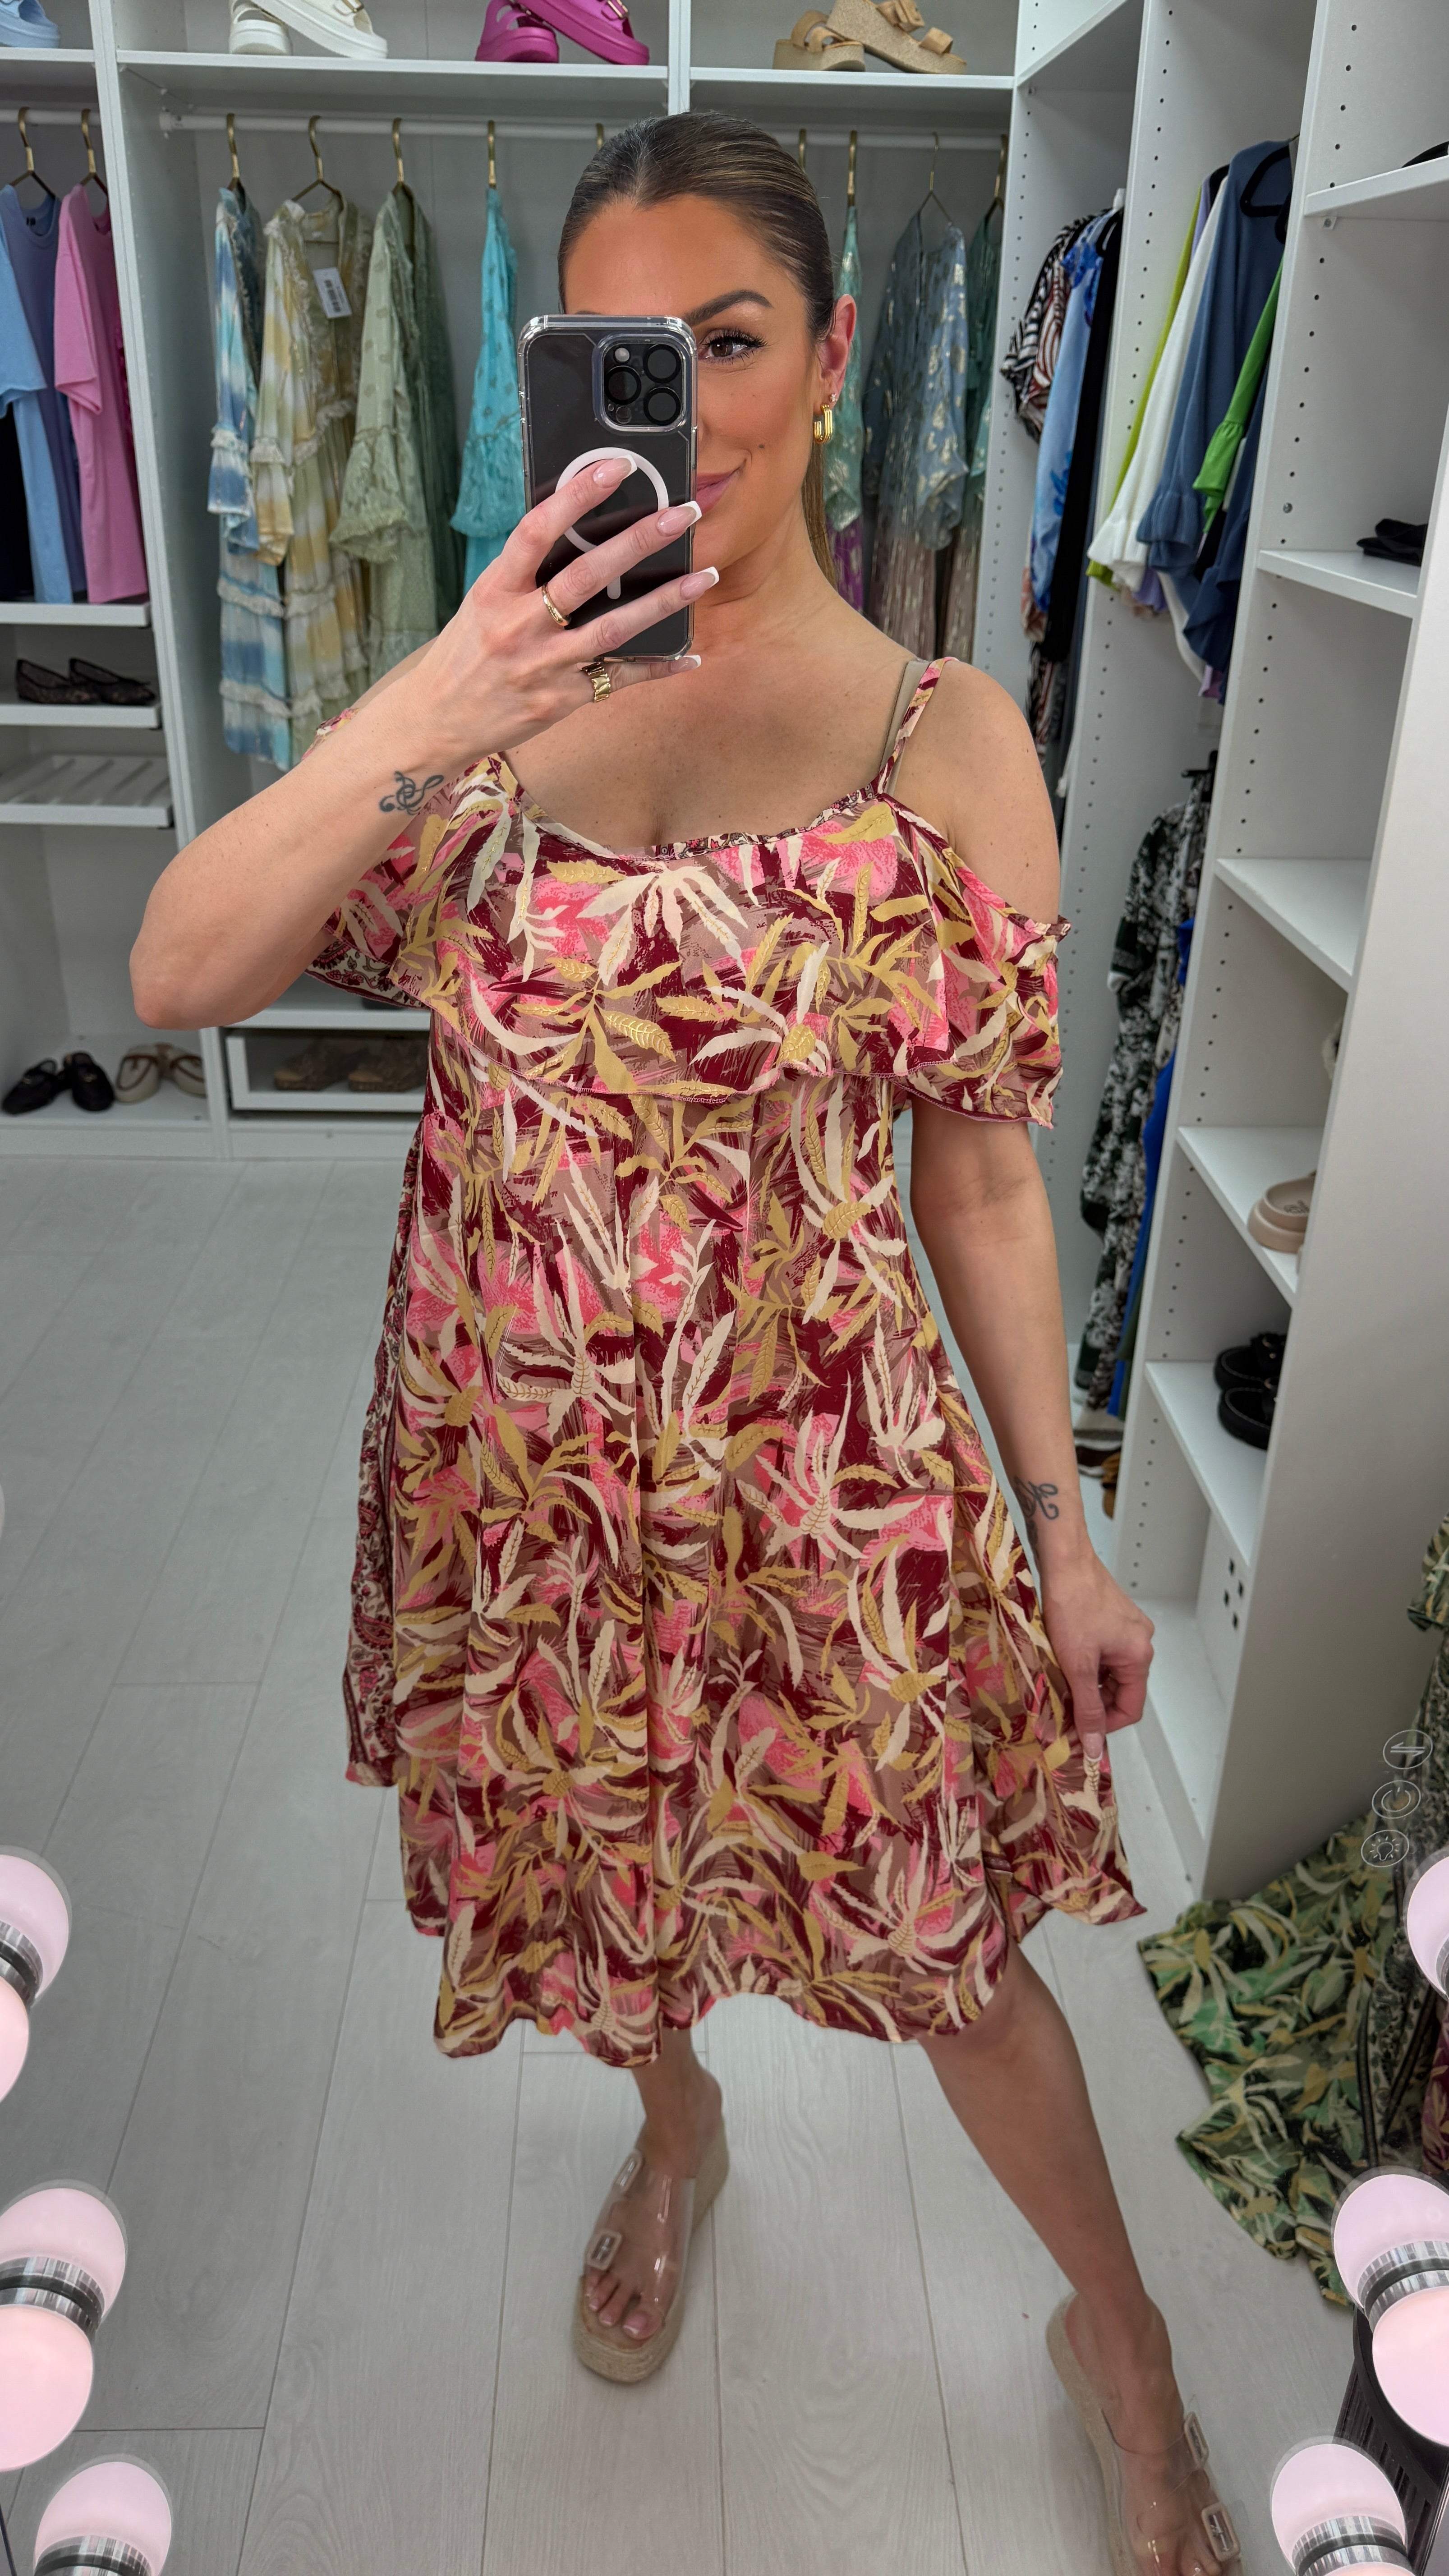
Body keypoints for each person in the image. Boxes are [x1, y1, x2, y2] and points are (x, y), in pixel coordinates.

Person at [132, 113, 1238, 2576]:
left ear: (837, 360)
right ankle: (678, 2126)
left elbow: (980, 1177)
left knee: (948, 1951)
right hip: (523, 1480)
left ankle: (1129, 2347)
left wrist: (1064, 1533)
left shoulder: (945, 736)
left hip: (824, 1478)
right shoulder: (476, 705)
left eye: (731, 343)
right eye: (626, 354)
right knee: (605, 1886)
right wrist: (453, 680)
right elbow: (182, 970)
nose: (690, 409)